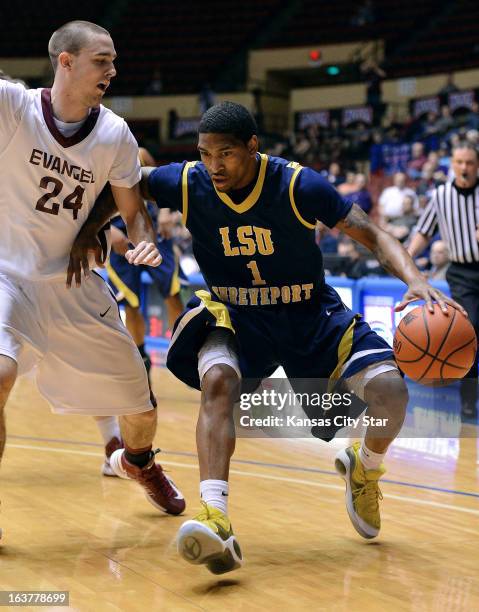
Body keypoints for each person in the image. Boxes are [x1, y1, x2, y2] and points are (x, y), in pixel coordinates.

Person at [71, 102, 462, 575]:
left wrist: (416, 281)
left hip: (309, 313)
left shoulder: (299, 184)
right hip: (235, 315)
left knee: (391, 391)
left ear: (253, 148)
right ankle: (215, 516)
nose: (214, 165)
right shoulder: (190, 181)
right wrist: (88, 231)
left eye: (227, 154)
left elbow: (374, 234)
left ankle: (366, 466)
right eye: (205, 153)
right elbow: (125, 184)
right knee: (217, 380)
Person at [0, 20, 186, 543]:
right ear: (66, 61)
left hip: (72, 280)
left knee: (142, 407)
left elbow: (135, 210)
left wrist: (141, 237)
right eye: (102, 60)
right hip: (6, 273)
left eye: (113, 61)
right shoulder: (12, 106)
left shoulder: (113, 133)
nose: (112, 69)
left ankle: (140, 462)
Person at [408, 142, 479, 420]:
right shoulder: (440, 196)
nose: (464, 168)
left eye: (470, 163)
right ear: (453, 165)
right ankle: (468, 400)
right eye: (459, 162)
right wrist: (406, 258)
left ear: (477, 165)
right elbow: (424, 231)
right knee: (471, 331)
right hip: (462, 272)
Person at [107, 147, 185, 383]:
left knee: (172, 294)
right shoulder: (97, 158)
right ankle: (142, 360)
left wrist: (164, 212)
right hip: (116, 232)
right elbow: (85, 205)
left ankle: (184, 352)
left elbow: (159, 183)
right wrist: (108, 232)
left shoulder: (139, 153)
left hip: (148, 228)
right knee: (130, 304)